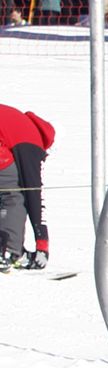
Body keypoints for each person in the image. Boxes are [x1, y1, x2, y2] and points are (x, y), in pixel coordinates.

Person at [0, 103, 54, 270]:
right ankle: (9, 252)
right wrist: (42, 244)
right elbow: (34, 194)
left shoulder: (16, 120)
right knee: (13, 196)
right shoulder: (32, 142)